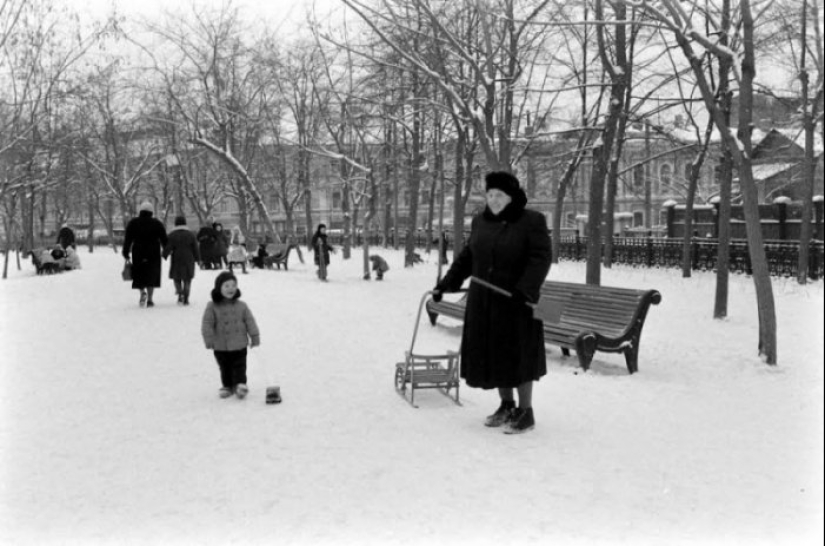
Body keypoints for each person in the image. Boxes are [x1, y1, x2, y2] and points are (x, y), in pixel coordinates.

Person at [433, 171, 551, 434]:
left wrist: (526, 290)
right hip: (485, 302)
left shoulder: (531, 221)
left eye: (500, 195)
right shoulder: (480, 222)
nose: (494, 200)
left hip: (517, 302)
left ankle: (526, 411)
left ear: (511, 197)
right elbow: (467, 258)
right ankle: (507, 405)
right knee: (495, 354)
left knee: (519, 355)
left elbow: (540, 258)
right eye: (490, 194)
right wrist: (446, 284)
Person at [201, 271, 260, 399]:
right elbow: (207, 323)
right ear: (219, 288)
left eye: (233, 285)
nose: (231, 289)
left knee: (240, 366)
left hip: (239, 344)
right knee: (225, 367)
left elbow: (250, 321)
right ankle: (227, 386)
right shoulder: (212, 307)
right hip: (221, 345)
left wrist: (254, 336)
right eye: (226, 286)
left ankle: (240, 385)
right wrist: (208, 339)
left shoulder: (242, 306)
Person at [122, 201, 168, 308]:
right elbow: (164, 240)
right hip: (153, 252)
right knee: (152, 275)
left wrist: (125, 252)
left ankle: (142, 291)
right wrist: (167, 250)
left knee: (139, 274)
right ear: (151, 212)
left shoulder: (133, 223)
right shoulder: (157, 223)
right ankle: (150, 300)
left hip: (138, 252)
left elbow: (128, 239)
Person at [163, 215, 200, 305]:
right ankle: (186, 298)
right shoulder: (190, 234)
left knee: (177, 278)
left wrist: (164, 254)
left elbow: (168, 247)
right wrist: (198, 259)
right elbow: (195, 248)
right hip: (189, 258)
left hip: (176, 258)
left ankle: (180, 294)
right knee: (187, 279)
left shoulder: (172, 235)